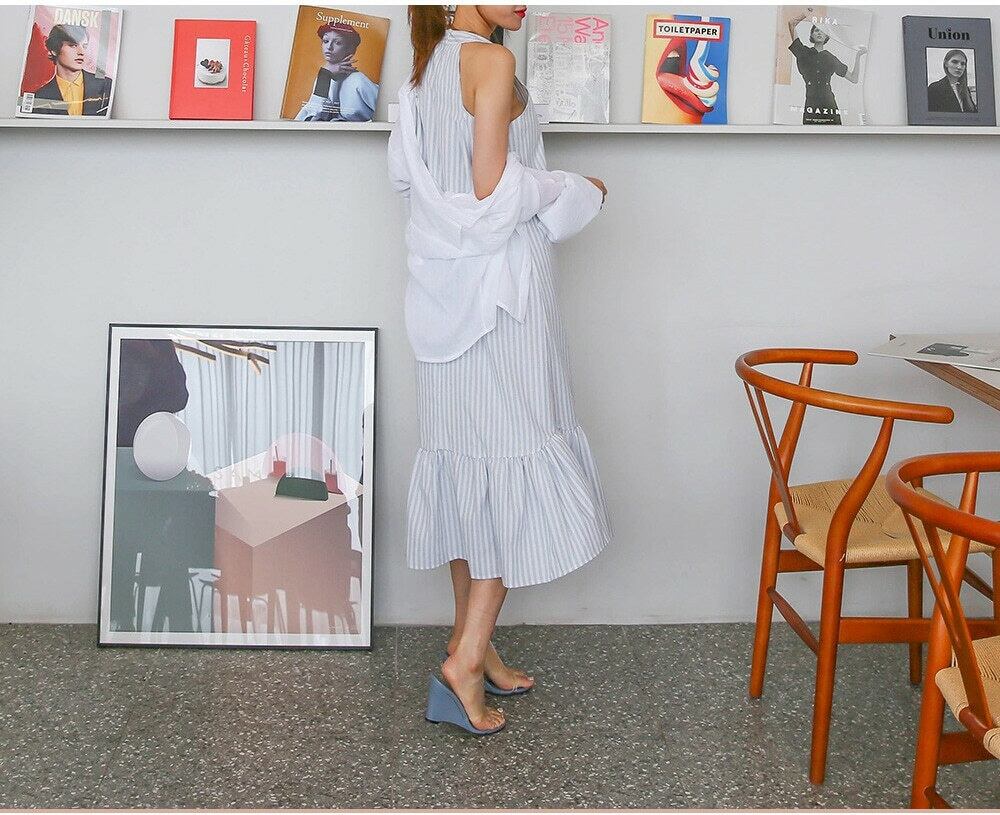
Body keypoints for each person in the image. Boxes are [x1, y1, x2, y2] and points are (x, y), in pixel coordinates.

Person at [388, 5, 612, 735]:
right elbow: (492, 189)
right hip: (502, 301)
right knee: (510, 458)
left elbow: (418, 184)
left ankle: (474, 646)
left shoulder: (422, 72)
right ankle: (463, 662)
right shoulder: (491, 61)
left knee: (470, 467)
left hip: (441, 301)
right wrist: (573, 187)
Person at [787, 12, 866, 125]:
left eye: (823, 31)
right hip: (811, 105)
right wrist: (807, 12)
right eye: (816, 30)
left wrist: (858, 56)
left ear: (826, 36)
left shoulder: (831, 58)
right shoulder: (803, 52)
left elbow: (854, 78)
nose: (819, 33)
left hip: (830, 105)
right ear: (812, 35)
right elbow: (792, 24)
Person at [295, 21, 378, 122]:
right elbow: (311, 118)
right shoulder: (324, 77)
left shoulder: (359, 81)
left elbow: (385, 116)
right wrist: (324, 75)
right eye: (326, 41)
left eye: (338, 42)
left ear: (351, 49)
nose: (329, 47)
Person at [30, 23, 112, 116]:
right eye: (73, 45)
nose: (81, 52)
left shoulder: (106, 86)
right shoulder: (39, 97)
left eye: (84, 46)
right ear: (54, 50)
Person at [927, 49, 977, 113]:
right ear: (946, 64)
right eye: (955, 62)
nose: (959, 67)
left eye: (963, 64)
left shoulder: (966, 90)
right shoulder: (934, 88)